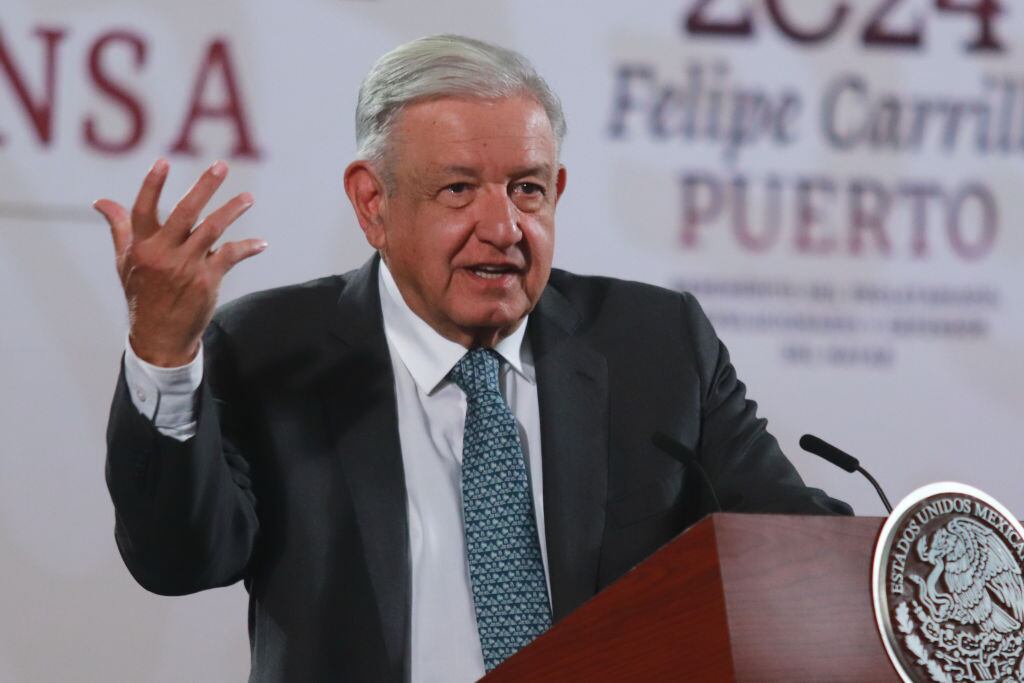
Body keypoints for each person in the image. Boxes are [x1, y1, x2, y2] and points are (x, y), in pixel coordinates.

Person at [96, 34, 851, 682]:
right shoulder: (271, 347)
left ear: (557, 190)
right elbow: (178, 560)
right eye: (459, 190)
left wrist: (901, 564)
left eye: (527, 190)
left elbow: (790, 546)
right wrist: (165, 354)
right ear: (373, 203)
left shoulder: (656, 341)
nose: (504, 227)